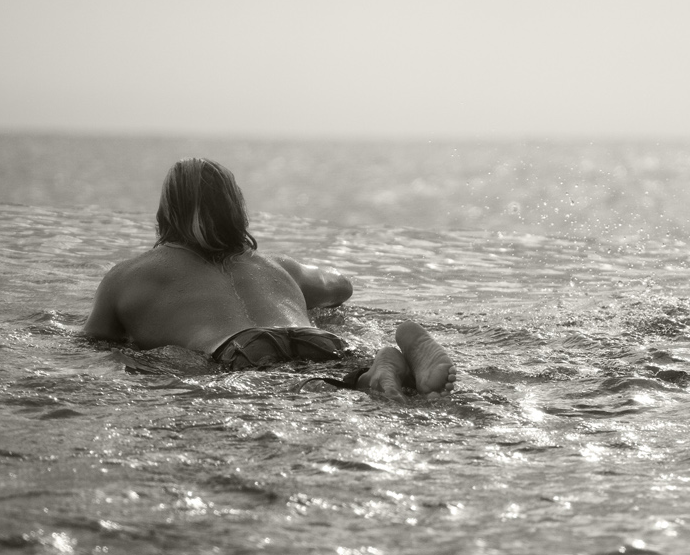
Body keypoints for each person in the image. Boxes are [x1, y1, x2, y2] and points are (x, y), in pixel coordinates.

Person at [84, 158, 455, 399]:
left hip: (239, 350)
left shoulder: (128, 276)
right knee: (331, 373)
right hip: (319, 340)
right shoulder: (278, 267)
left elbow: (94, 341)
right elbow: (341, 286)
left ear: (166, 214)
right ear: (236, 210)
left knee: (290, 388)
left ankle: (378, 375)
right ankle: (382, 367)